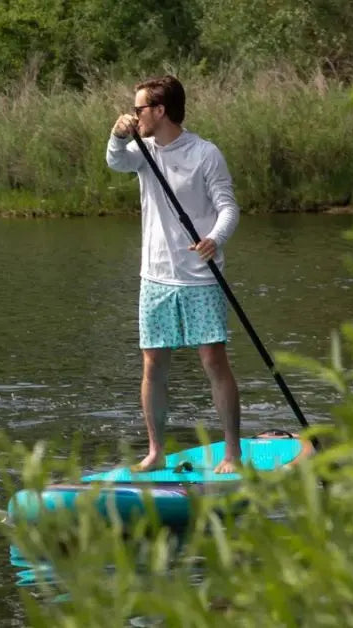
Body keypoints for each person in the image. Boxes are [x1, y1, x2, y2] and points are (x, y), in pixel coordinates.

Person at [105, 75, 242, 473]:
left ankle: (232, 453)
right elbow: (115, 162)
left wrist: (214, 238)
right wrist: (116, 137)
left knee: (213, 360)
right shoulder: (142, 150)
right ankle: (155, 450)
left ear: (160, 111)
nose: (134, 116)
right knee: (153, 365)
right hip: (156, 277)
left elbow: (228, 208)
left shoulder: (205, 153)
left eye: (139, 110)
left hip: (200, 276)